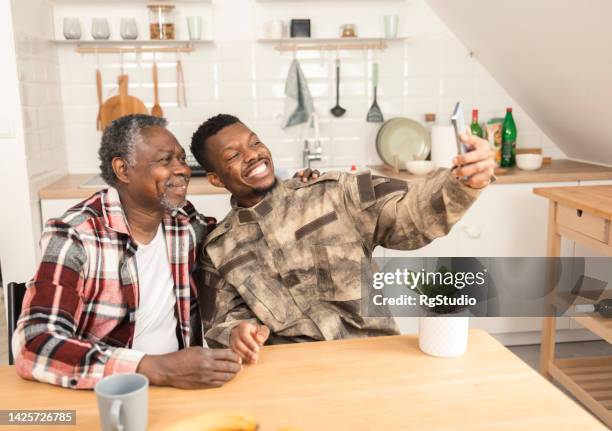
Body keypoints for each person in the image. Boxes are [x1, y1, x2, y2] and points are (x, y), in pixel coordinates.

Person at [190, 114, 496, 365]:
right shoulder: (218, 250)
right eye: (233, 155)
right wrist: (236, 334)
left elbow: (411, 218)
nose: (253, 154)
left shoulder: (336, 192)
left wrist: (462, 182)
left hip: (374, 361)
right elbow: (221, 323)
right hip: (292, 377)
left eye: (254, 142)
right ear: (216, 178)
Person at [12, 114, 243, 389]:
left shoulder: (185, 224)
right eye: (165, 160)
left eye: (181, 159)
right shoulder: (75, 235)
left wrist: (300, 190)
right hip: (107, 394)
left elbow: (240, 235)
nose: (182, 169)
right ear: (123, 169)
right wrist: (153, 368)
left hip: (180, 390)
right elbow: (34, 343)